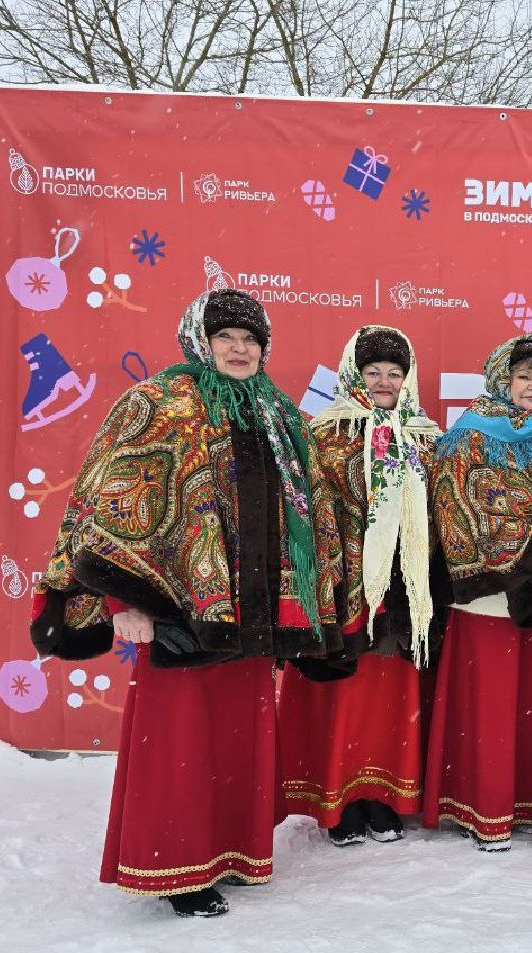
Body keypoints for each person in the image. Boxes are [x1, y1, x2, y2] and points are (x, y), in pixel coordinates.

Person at [29, 288, 344, 917]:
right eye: (225, 336)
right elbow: (106, 503)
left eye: (250, 339)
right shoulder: (158, 404)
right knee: (179, 742)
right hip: (178, 610)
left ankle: (230, 853)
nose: (239, 348)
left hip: (250, 617)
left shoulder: (279, 415)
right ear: (199, 340)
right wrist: (124, 599)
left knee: (235, 738)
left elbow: (311, 512)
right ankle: (174, 867)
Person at [278, 326, 443, 846]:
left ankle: (381, 796)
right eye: (373, 372)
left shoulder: (425, 438)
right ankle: (340, 801)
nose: (384, 381)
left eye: (395, 373)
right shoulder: (324, 435)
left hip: (401, 593)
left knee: (389, 698)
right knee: (343, 697)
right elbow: (305, 515)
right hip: (344, 588)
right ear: (354, 374)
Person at [424, 333, 532, 852]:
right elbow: (460, 501)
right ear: (502, 378)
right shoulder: (471, 431)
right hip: (486, 593)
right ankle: (482, 807)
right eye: (524, 376)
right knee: (488, 707)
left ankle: (520, 801)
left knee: (526, 705)